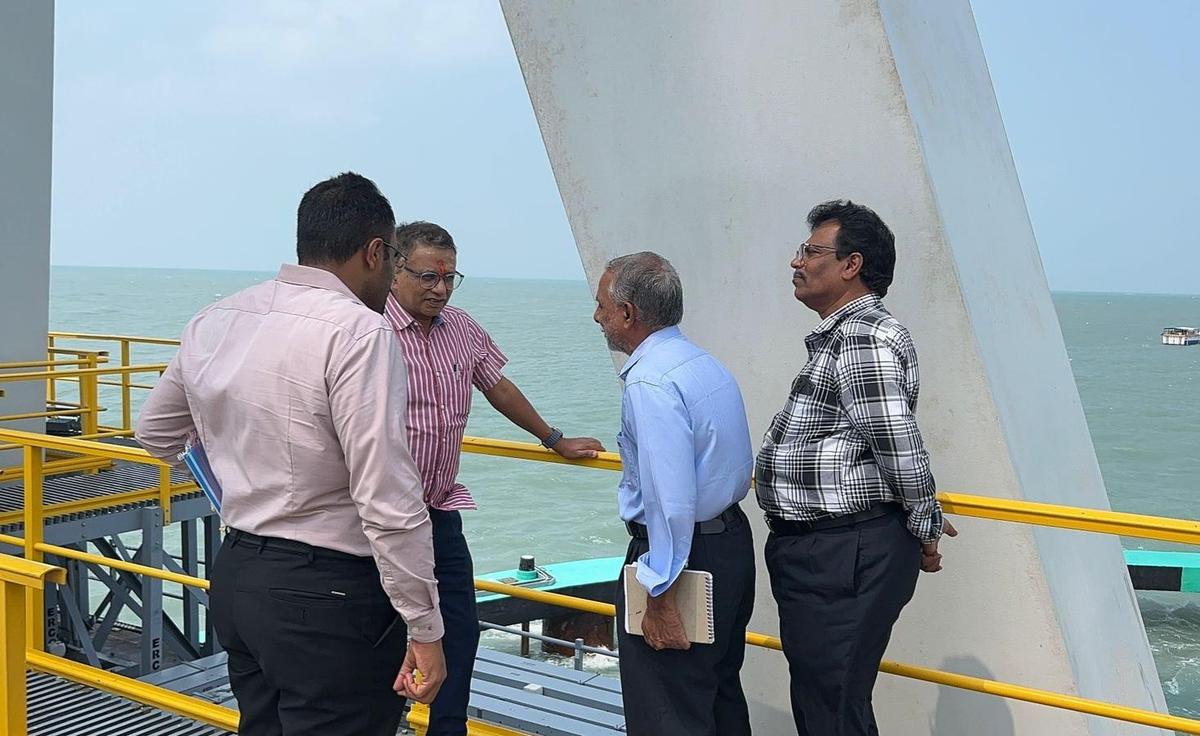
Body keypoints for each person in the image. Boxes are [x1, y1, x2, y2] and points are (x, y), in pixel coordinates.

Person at [136, 173, 446, 736]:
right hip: (326, 594)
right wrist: (424, 627)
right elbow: (386, 498)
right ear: (375, 252)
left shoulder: (217, 318)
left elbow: (156, 434)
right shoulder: (360, 333)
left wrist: (235, 470)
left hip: (239, 575)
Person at [384, 220, 604, 736]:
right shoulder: (369, 329)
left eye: (449, 278)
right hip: (379, 519)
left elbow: (496, 386)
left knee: (459, 631)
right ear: (395, 269)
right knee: (384, 637)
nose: (439, 289)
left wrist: (553, 437)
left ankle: (447, 729)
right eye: (427, 277)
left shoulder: (461, 328)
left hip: (439, 511)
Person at [755, 200, 958, 735]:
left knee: (833, 707)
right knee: (828, 700)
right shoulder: (842, 335)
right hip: (828, 551)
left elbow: (897, 443)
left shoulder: (862, 336)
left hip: (844, 552)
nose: (797, 262)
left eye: (811, 252)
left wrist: (925, 523)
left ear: (852, 265)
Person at [593, 251, 756, 736]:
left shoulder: (649, 381)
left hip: (683, 557)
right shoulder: (701, 363)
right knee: (720, 694)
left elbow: (669, 496)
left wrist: (660, 589)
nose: (598, 316)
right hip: (729, 544)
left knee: (667, 709)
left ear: (628, 314)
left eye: (603, 305)